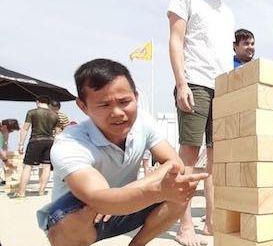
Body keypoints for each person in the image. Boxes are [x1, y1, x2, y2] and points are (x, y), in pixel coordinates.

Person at [35, 58, 208, 246]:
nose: (117, 112)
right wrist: (156, 191)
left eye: (125, 101)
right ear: (83, 106)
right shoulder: (70, 143)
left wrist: (127, 193)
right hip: (82, 218)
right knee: (62, 223)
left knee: (181, 184)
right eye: (104, 105)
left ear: (136, 97)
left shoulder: (143, 121)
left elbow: (175, 164)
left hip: (126, 205)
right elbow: (96, 196)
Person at [167, 0, 236, 245]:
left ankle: (211, 220)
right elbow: (176, 39)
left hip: (222, 87)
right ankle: (184, 225)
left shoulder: (227, 12)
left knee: (217, 160)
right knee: (189, 155)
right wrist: (181, 83)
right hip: (195, 81)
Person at [15, 95, 59, 197]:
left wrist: (21, 144)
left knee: (28, 166)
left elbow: (25, 128)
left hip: (36, 140)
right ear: (48, 103)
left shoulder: (32, 112)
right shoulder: (55, 115)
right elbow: (57, 132)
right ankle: (42, 191)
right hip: (50, 141)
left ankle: (21, 192)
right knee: (46, 165)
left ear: (37, 102)